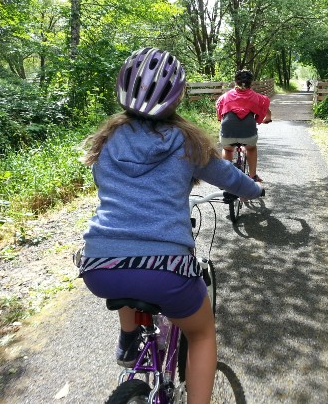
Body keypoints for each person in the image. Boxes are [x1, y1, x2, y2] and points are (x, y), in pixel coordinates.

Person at [78, 47, 263, 404]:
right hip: (166, 269)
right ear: (177, 96)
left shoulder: (107, 140)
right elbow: (231, 179)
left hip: (99, 264)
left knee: (127, 266)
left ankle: (128, 338)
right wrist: (254, 189)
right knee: (202, 334)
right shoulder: (187, 141)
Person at [215, 69, 272, 182]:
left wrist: (221, 119)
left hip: (228, 131)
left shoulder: (225, 96)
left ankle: (225, 177)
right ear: (251, 83)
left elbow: (219, 113)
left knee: (228, 150)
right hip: (248, 132)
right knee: (251, 149)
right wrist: (267, 119)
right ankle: (253, 176)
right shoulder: (256, 97)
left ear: (235, 81)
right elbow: (266, 111)